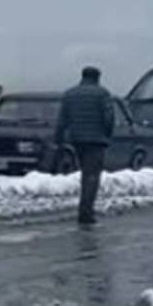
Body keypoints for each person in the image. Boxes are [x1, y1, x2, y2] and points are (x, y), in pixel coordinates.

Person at [56, 66, 116, 225]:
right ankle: (86, 213)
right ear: (97, 77)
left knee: (84, 174)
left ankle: (85, 210)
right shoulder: (103, 94)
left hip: (77, 140)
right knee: (91, 176)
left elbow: (62, 120)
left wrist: (59, 140)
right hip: (96, 141)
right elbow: (109, 118)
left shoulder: (70, 94)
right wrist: (107, 134)